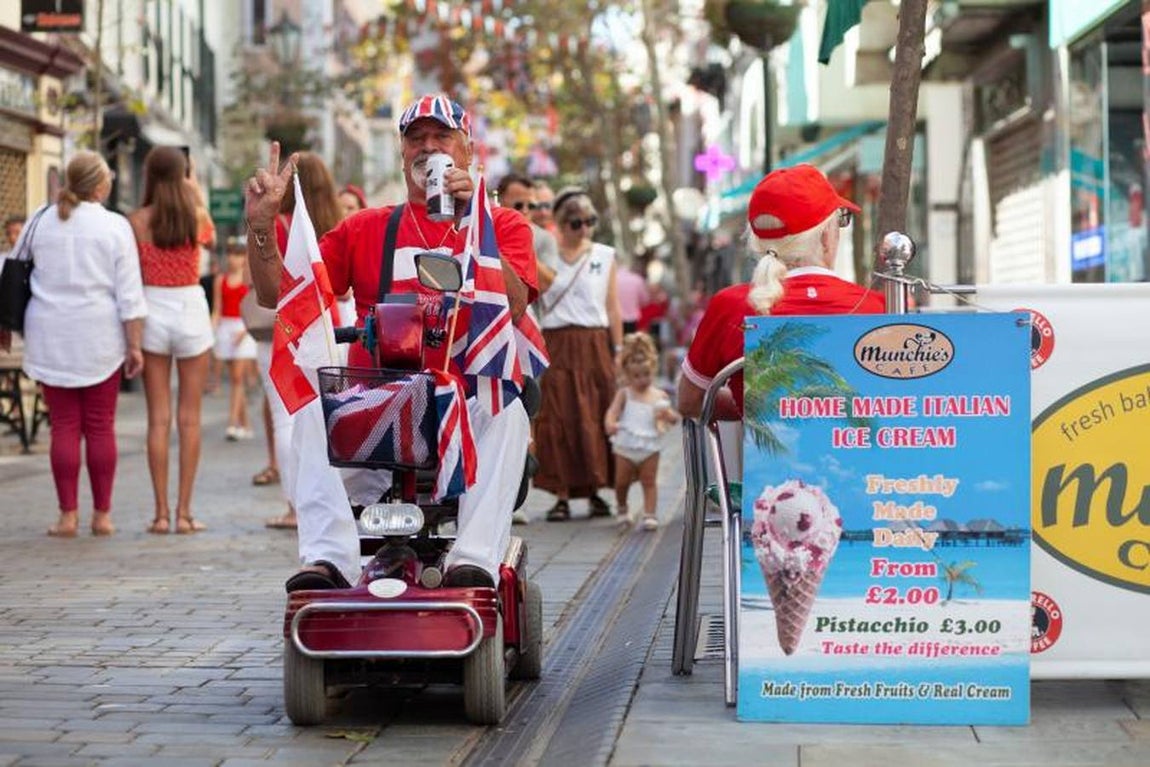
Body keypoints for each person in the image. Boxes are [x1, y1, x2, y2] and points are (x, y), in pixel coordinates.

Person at [244, 94, 537, 590]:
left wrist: (474, 220)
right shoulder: (366, 227)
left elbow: (514, 305)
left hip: (460, 402)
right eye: (416, 138)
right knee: (309, 406)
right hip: (378, 402)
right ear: (402, 153)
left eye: (442, 137)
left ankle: (474, 560)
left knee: (510, 410)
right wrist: (261, 227)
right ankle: (329, 558)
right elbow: (279, 294)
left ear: (467, 150)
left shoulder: (502, 225)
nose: (428, 148)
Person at [0, 151, 147, 537]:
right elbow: (129, 295)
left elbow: (12, 270)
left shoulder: (40, 219)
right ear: (100, 184)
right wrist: (135, 346)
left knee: (63, 425)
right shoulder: (115, 226)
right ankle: (102, 516)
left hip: (49, 335)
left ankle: (67, 516)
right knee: (100, 426)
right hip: (100, 336)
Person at [677, 164, 886, 419]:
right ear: (825, 236)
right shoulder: (878, 308)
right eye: (840, 221)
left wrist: (754, 406)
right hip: (860, 454)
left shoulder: (730, 307)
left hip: (760, 457)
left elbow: (689, 401)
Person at [128, 146, 217, 535]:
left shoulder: (137, 221)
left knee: (158, 419)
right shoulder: (196, 217)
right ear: (183, 173)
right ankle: (185, 512)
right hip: (190, 307)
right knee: (190, 419)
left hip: (152, 309)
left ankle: (161, 514)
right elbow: (210, 238)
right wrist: (193, 186)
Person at [260, 152, 347, 531]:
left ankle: (296, 504)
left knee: (287, 415)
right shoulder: (336, 224)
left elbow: (271, 283)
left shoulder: (283, 224)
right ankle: (327, 495)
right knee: (324, 412)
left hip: (290, 326)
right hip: (330, 325)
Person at [533, 187, 623, 522]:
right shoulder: (546, 253)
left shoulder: (604, 254)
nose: (583, 228)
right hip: (556, 341)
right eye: (575, 222)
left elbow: (613, 308)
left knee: (596, 414)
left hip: (594, 342)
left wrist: (618, 350)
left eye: (589, 221)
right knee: (558, 416)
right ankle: (561, 493)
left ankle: (596, 488)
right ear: (559, 222)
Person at [604, 332, 680, 531]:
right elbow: (612, 412)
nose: (642, 380)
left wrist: (668, 416)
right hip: (626, 444)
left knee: (649, 481)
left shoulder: (659, 395)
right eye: (636, 376)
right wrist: (610, 424)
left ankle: (649, 513)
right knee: (621, 481)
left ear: (653, 371)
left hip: (649, 445)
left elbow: (673, 417)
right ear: (627, 375)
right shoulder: (624, 394)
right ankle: (622, 507)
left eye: (646, 374)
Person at [212, 239, 257, 440]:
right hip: (225, 328)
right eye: (230, 254)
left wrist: (245, 330)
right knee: (234, 380)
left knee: (238, 378)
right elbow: (217, 309)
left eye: (238, 255)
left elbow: (253, 309)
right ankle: (245, 425)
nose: (233, 259)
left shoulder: (249, 280)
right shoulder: (220, 280)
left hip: (243, 328)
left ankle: (231, 423)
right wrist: (210, 330)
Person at [615, 261, 649, 335]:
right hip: (632, 319)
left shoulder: (612, 279)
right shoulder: (637, 279)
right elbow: (645, 301)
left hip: (615, 319)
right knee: (630, 342)